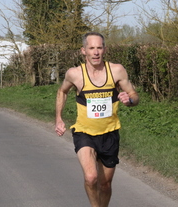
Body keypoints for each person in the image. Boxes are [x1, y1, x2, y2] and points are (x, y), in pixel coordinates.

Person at [55, 32, 139, 207]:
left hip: (109, 134)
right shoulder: (75, 74)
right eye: (91, 48)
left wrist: (129, 100)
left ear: (105, 49)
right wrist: (59, 118)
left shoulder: (116, 70)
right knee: (91, 177)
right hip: (84, 132)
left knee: (105, 184)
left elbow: (134, 95)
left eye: (99, 48)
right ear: (83, 51)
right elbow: (62, 91)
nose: (95, 52)